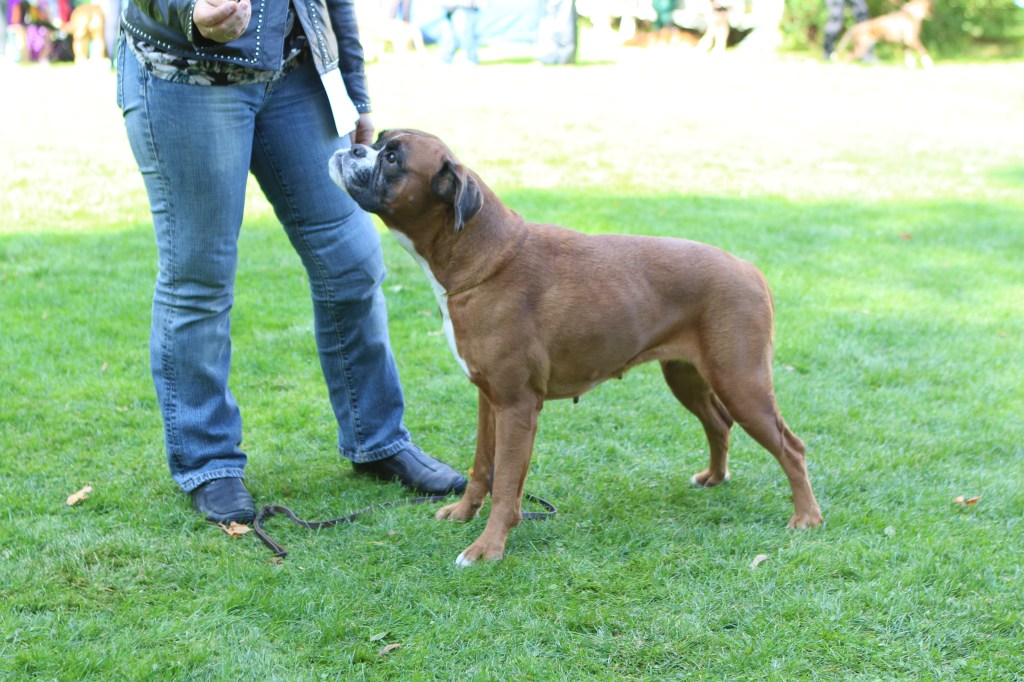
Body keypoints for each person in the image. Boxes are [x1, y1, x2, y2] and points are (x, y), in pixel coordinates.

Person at [117, 0, 466, 524]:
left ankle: (377, 439)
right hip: (185, 78)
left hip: (295, 74)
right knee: (199, 278)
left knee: (352, 261)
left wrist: (355, 93)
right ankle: (208, 462)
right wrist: (193, 13)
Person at [438, 0, 480, 65]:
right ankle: (445, 60)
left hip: (465, 10)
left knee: (465, 35)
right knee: (448, 36)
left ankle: (470, 59)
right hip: (449, 10)